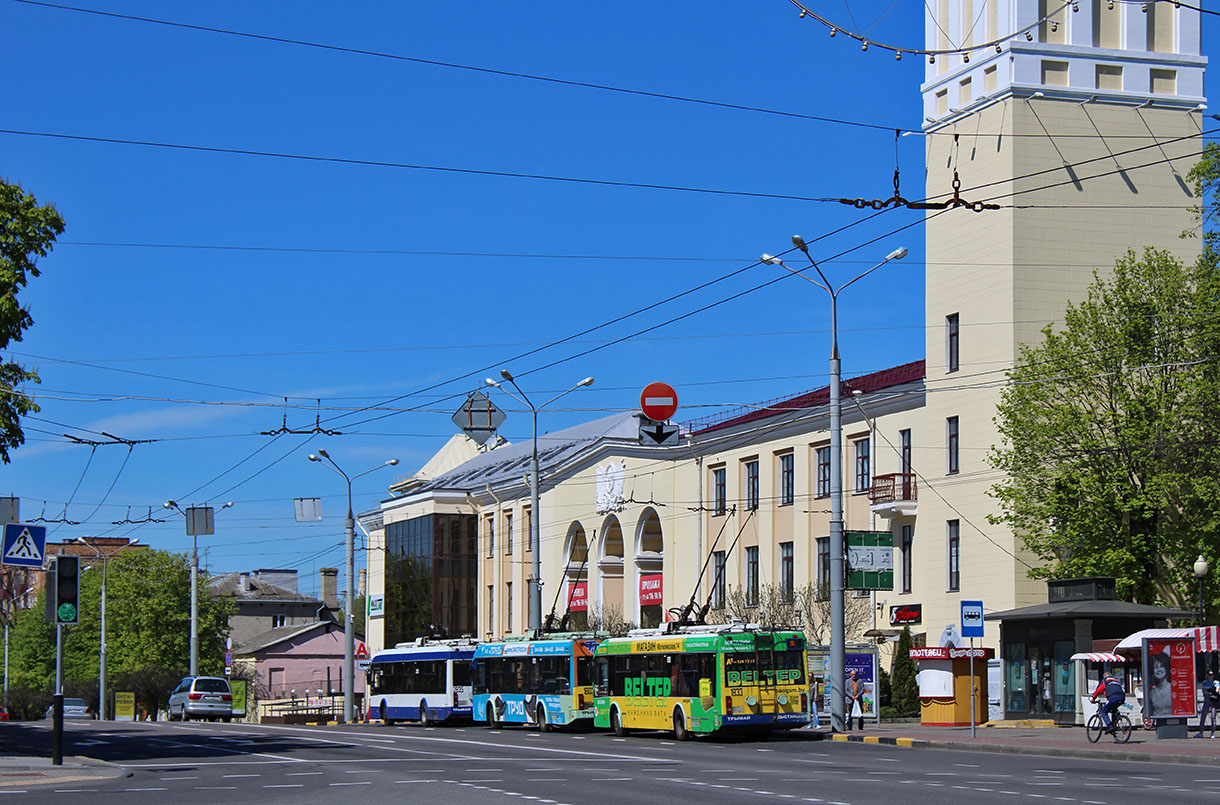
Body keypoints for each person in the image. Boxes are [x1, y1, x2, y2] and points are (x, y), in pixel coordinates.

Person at [1090, 668, 1125, 734]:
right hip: (1122, 697)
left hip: (1113, 698)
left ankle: (1110, 725)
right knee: (1113, 710)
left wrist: (1093, 698)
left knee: (1103, 711)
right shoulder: (1116, 681)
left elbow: (1098, 691)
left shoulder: (1105, 681)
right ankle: (1114, 726)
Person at [1147, 652, 1172, 718]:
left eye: (1161, 666)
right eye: (1156, 667)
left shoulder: (1173, 689)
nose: (1159, 670)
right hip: (1159, 724)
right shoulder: (1151, 693)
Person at [1198, 670, 1219, 738]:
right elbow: (1204, 691)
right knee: (1203, 716)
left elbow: (1217, 690)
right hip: (1207, 700)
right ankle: (1201, 733)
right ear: (1207, 675)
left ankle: (1212, 733)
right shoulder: (1205, 682)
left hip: (1213, 701)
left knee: (1213, 717)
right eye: (1209, 675)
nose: (1211, 676)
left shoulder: (1216, 682)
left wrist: (1210, 691)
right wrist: (1211, 691)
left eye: (1212, 675)